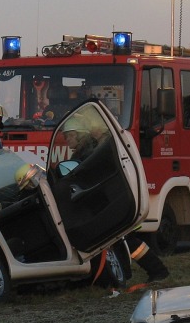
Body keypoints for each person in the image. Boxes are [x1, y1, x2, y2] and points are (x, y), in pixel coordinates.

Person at [62, 114, 169, 283]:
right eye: (66, 136)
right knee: (123, 240)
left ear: (81, 134)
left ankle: (158, 271)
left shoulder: (87, 154)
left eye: (71, 135)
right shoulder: (91, 150)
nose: (68, 139)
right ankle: (144, 272)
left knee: (126, 240)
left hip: (106, 204)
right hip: (109, 202)